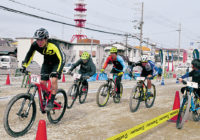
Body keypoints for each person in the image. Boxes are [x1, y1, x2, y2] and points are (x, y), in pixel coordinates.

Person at [21, 28, 66, 111]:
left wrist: (58, 72)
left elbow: (62, 58)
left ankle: (51, 101)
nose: (39, 42)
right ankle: (46, 97)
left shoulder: (53, 44)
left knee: (53, 80)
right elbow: (29, 55)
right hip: (46, 63)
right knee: (42, 82)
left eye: (41, 40)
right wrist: (24, 65)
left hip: (57, 63)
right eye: (37, 40)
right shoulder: (35, 45)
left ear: (46, 39)